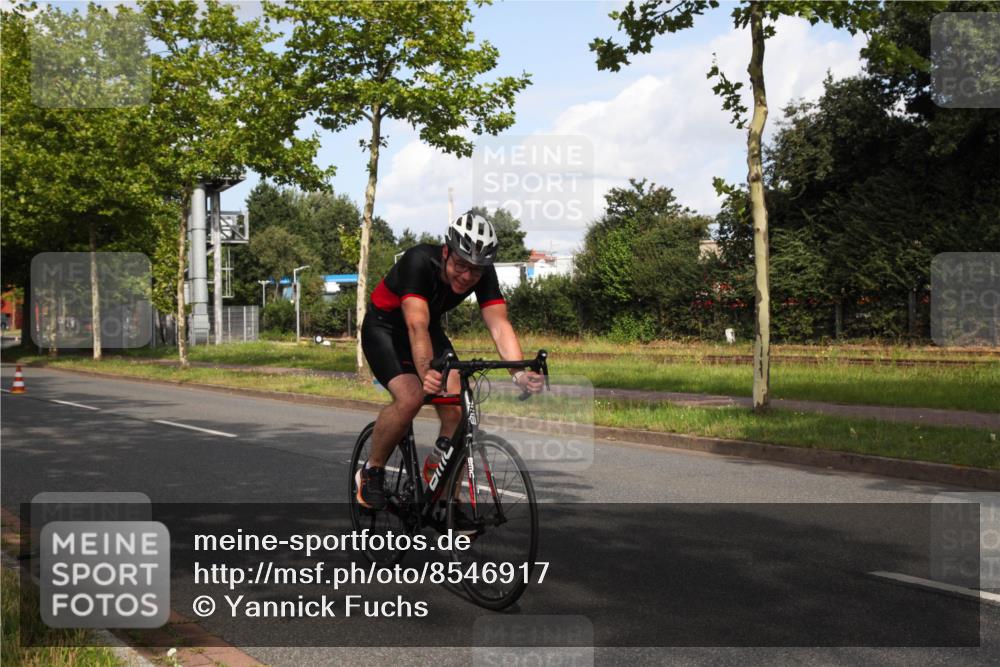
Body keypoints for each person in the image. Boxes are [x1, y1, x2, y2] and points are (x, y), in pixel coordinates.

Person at [356, 211, 544, 512]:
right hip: (386, 329)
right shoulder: (418, 261)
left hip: (427, 328)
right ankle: (372, 471)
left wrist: (518, 373)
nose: (467, 276)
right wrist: (426, 371)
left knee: (457, 404)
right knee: (411, 397)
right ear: (446, 252)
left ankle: (442, 487)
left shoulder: (482, 272)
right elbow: (415, 325)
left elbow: (499, 325)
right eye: (460, 265)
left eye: (476, 271)